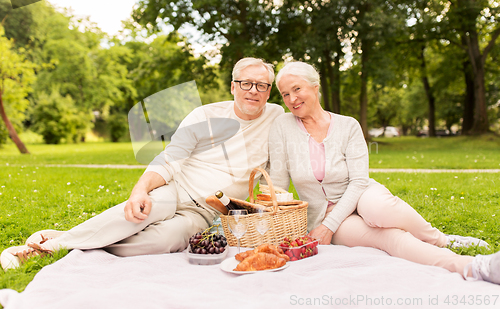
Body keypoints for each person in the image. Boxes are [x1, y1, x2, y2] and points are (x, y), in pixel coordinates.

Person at [1, 57, 284, 270]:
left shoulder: (276, 118)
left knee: (163, 242)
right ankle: (48, 248)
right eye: (246, 83)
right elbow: (171, 157)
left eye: (261, 85)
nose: (253, 91)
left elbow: (274, 174)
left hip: (206, 213)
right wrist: (140, 190)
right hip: (176, 189)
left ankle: (71, 239)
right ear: (234, 86)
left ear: (269, 91)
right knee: (141, 213)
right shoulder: (205, 115)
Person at [268, 61, 500, 284]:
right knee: (389, 238)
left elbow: (359, 181)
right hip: (325, 216)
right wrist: (286, 223)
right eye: (285, 94)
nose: (292, 99)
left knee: (379, 210)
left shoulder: (348, 125)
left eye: (297, 89)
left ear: (315, 87)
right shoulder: (282, 126)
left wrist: (329, 226)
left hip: (360, 193)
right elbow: (277, 187)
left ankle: (442, 239)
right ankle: (470, 266)